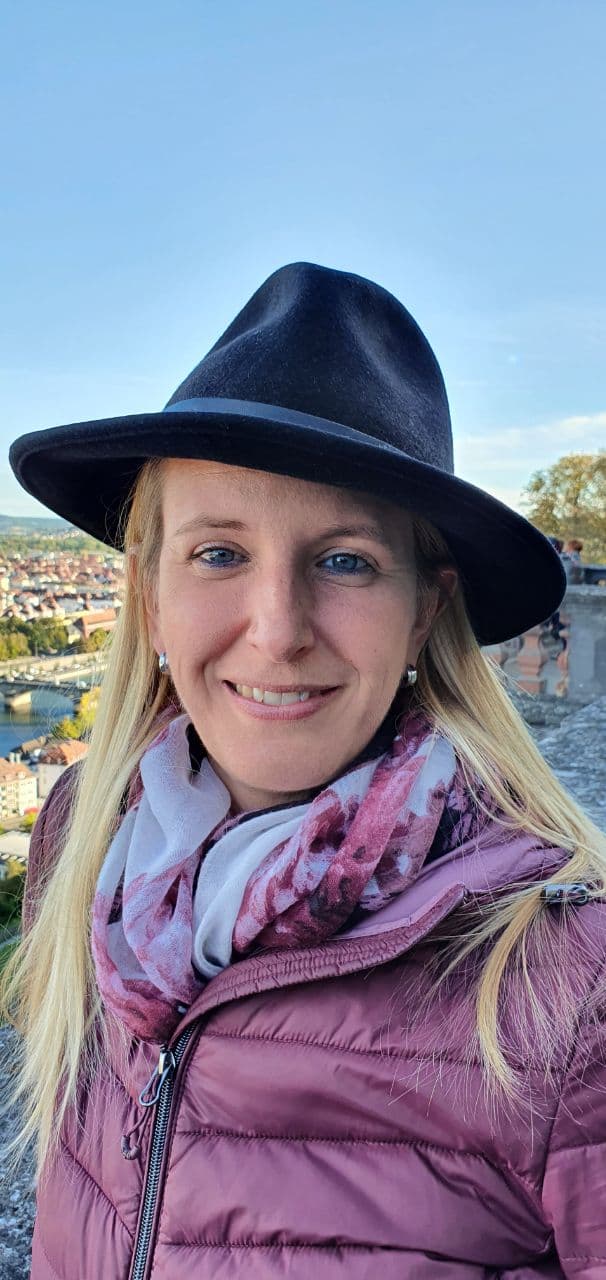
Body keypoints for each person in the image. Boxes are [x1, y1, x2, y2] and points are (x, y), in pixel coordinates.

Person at [2, 262, 606, 1280]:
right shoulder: (85, 834)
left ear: (423, 610)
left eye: (345, 560)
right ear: (149, 595)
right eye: (219, 553)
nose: (277, 631)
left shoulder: (570, 984)